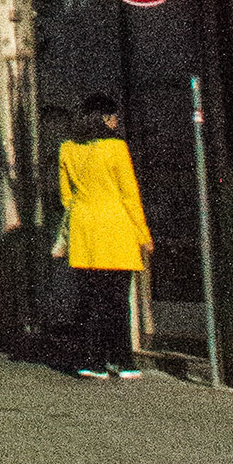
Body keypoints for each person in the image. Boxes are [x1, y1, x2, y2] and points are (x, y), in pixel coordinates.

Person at [58, 92, 152, 377]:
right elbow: (130, 195)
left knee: (90, 298)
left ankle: (91, 360)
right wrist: (143, 233)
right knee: (116, 299)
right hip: (116, 229)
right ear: (104, 118)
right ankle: (122, 360)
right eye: (113, 117)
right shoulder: (116, 148)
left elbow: (66, 197)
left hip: (84, 230)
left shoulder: (68, 149)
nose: (115, 122)